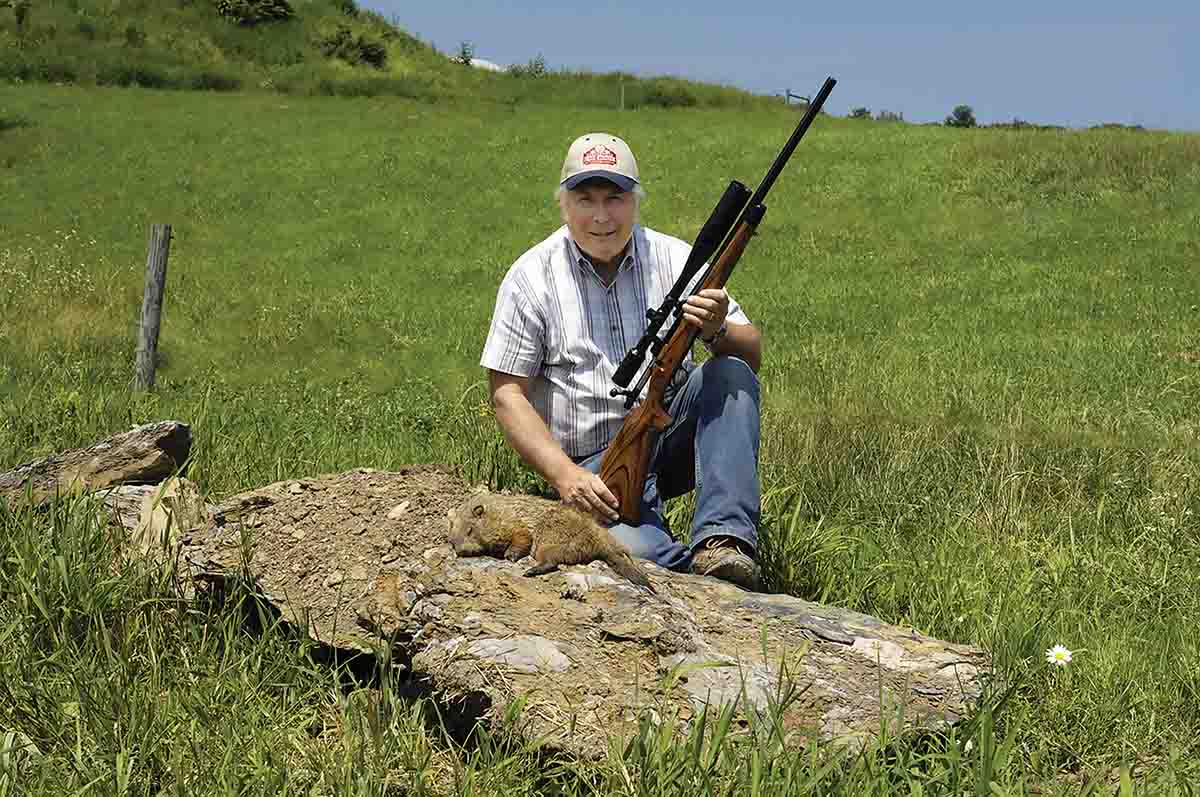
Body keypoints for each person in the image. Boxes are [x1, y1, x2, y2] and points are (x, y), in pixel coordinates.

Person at [480, 132, 764, 591]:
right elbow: (506, 393)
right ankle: (694, 575)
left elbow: (751, 355)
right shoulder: (530, 277)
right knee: (643, 556)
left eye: (614, 198)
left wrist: (717, 329)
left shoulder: (676, 259)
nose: (600, 216)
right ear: (563, 204)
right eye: (585, 199)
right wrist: (564, 474)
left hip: (668, 439)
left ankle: (725, 543)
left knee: (729, 371)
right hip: (591, 471)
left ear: (635, 201)